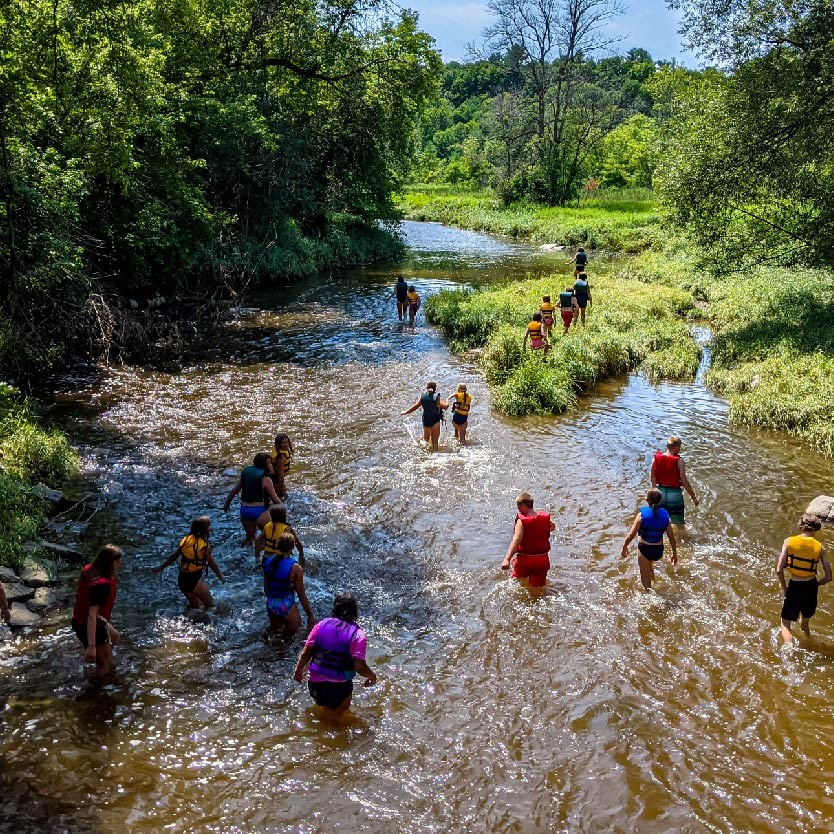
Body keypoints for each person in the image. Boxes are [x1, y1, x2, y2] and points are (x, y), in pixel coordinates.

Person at [293, 592, 377, 715]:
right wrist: (372, 676)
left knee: (324, 712)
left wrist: (298, 671)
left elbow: (306, 653)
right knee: (338, 719)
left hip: (315, 685)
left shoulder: (320, 625)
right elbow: (359, 666)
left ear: (334, 609)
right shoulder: (358, 635)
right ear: (355, 612)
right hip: (339, 688)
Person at [777, 514, 831, 644]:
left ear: (801, 527)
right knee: (804, 622)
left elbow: (779, 570)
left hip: (795, 585)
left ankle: (790, 651)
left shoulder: (789, 541)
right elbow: (829, 577)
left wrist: (785, 589)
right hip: (811, 586)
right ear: (816, 529)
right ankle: (809, 641)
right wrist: (815, 585)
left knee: (785, 624)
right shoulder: (820, 547)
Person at [71, 545, 123, 675]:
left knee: (115, 636)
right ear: (108, 563)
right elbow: (91, 615)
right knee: (106, 667)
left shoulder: (90, 570)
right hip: (90, 624)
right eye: (117, 561)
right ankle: (94, 689)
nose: (119, 563)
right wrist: (92, 647)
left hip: (80, 620)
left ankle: (100, 657)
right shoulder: (102, 585)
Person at [154, 516, 226, 608]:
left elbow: (174, 556)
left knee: (196, 607)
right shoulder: (204, 546)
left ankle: (191, 620)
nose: (210, 528)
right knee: (211, 605)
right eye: (209, 526)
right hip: (193, 580)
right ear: (205, 529)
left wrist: (161, 567)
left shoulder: (186, 540)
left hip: (182, 580)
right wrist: (220, 576)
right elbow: (212, 564)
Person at [621, 488, 678, 589]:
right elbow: (671, 538)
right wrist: (674, 554)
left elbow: (631, 534)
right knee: (649, 563)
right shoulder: (665, 516)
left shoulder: (641, 515)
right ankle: (654, 580)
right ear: (660, 500)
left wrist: (624, 546)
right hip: (658, 551)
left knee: (645, 582)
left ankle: (650, 596)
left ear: (647, 500)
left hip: (645, 549)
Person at [262, 532, 315, 636]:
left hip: (271, 604)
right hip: (287, 605)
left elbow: (266, 587)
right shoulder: (295, 568)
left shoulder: (267, 562)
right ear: (292, 547)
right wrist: (310, 615)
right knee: (296, 637)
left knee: (276, 637)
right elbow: (301, 595)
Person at [501, 492, 555, 590]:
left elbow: (516, 540)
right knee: (538, 589)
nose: (518, 508)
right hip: (542, 560)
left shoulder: (521, 521)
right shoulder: (544, 518)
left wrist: (507, 559)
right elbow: (552, 527)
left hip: (525, 560)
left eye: (518, 505)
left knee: (516, 585)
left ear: (523, 505)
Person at [223, 453, 281, 545]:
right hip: (259, 511)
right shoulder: (265, 479)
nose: (271, 465)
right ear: (263, 465)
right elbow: (274, 498)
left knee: (250, 540)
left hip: (244, 510)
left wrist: (226, 505)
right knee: (271, 539)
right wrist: (284, 509)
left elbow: (234, 491)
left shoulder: (246, 474)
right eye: (269, 463)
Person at [651, 436, 699, 528]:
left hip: (661, 493)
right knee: (678, 523)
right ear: (676, 448)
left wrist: (654, 493)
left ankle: (662, 539)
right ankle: (679, 541)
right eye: (679, 447)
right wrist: (694, 497)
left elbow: (653, 478)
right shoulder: (679, 461)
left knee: (660, 520)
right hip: (675, 494)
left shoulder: (656, 459)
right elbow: (684, 480)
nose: (680, 449)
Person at [401, 381, 449, 453]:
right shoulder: (437, 396)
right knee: (435, 442)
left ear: (427, 388)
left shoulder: (423, 396)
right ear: (435, 388)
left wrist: (405, 412)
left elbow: (416, 406)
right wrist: (447, 401)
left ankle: (423, 453)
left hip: (426, 420)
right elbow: (445, 407)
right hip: (434, 420)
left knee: (425, 439)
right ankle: (435, 456)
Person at [272, 434, 294, 501]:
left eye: (287, 442)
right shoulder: (281, 457)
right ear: (279, 444)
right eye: (283, 443)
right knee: (281, 498)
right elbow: (280, 474)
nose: (286, 444)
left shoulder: (279, 450)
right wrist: (283, 489)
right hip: (275, 480)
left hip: (275, 479)